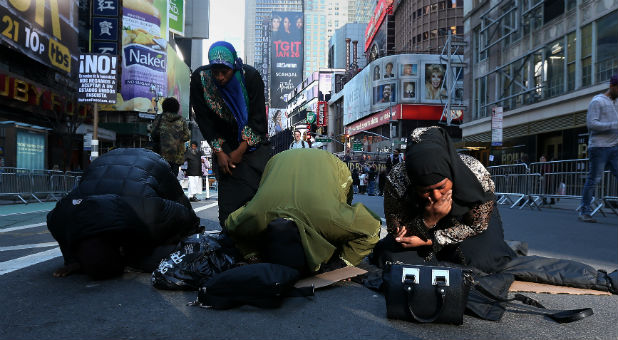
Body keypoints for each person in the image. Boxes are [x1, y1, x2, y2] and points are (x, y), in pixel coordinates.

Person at [372, 126, 517, 274]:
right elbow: (397, 231)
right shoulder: (398, 180)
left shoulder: (475, 172)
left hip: (466, 229)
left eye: (441, 187)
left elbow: (477, 225)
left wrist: (431, 241)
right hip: (417, 229)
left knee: (484, 261)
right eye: (425, 191)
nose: (435, 196)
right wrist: (428, 220)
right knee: (390, 257)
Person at [47, 148, 200, 279]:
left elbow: (181, 207)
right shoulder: (62, 216)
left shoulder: (147, 212)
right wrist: (72, 261)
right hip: (107, 161)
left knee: (166, 238)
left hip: (150, 163)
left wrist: (193, 227)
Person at [224, 149, 381, 274]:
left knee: (340, 216)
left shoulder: (329, 219)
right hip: (278, 160)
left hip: (325, 163)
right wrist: (343, 262)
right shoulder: (255, 218)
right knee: (340, 216)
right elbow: (372, 229)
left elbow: (372, 228)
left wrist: (252, 257)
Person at [190, 41, 271, 226]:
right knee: (230, 204)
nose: (219, 77)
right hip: (223, 144)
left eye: (224, 72)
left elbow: (258, 118)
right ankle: (231, 241)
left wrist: (240, 150)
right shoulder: (200, 79)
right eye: (215, 71)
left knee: (256, 198)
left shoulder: (250, 77)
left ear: (234, 67)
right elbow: (203, 118)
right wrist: (219, 152)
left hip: (253, 147)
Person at [579, 74, 618, 222]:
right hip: (599, 148)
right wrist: (613, 126)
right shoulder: (597, 101)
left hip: (614, 147)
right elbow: (592, 124)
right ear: (612, 86)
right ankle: (584, 211)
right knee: (594, 179)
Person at [150, 97, 190, 177]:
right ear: (176, 108)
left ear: (164, 107)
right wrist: (177, 138)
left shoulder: (159, 118)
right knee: (173, 178)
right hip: (177, 156)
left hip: (161, 155)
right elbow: (187, 136)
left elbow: (153, 134)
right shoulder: (181, 120)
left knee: (162, 178)